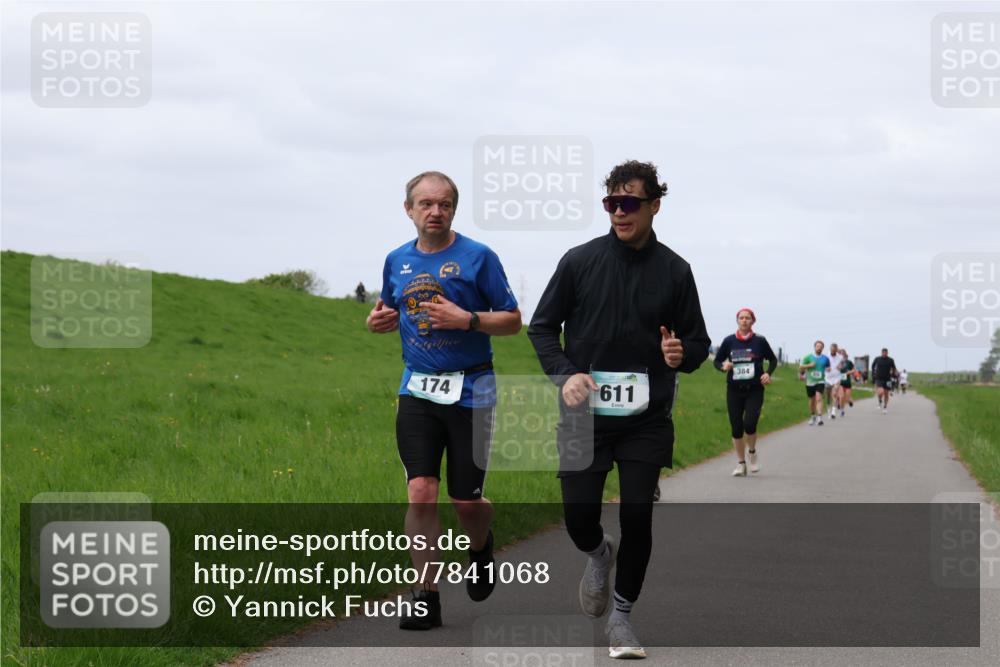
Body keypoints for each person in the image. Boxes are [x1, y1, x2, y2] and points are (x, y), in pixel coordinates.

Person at [528, 160, 710, 660]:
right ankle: (598, 554)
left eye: (630, 202)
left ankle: (622, 619)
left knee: (638, 515)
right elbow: (541, 328)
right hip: (583, 415)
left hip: (646, 419)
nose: (619, 212)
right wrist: (566, 376)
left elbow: (698, 343)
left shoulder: (676, 271)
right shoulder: (578, 261)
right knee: (578, 516)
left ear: (655, 205)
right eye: (611, 202)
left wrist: (682, 355)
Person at [367, 171, 522, 630]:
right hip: (417, 388)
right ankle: (425, 596)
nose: (436, 212)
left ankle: (480, 546)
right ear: (409, 209)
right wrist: (377, 321)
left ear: (454, 209)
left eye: (445, 204)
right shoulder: (397, 260)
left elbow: (513, 321)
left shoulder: (479, 257)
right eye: (427, 204)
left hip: (473, 390)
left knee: (465, 501)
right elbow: (388, 308)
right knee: (420, 489)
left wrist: (467, 319)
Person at [714, 308, 777, 476]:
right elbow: (717, 360)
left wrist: (767, 373)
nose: (744, 320)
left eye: (747, 318)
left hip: (754, 389)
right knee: (736, 428)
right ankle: (741, 464)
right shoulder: (729, 341)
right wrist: (723, 366)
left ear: (752, 321)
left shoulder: (760, 341)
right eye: (741, 318)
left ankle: (752, 453)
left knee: (749, 424)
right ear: (737, 321)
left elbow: (773, 359)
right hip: (734, 390)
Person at [799, 341, 829, 426]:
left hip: (820, 381)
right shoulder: (808, 357)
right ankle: (812, 416)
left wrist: (828, 370)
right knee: (812, 400)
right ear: (814, 347)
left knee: (819, 398)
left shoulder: (826, 359)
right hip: (810, 382)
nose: (819, 348)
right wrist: (809, 365)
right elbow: (801, 367)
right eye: (817, 346)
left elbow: (828, 367)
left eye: (820, 346)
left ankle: (819, 417)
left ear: (822, 348)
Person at [871, 348, 898, 414]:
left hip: (888, 379)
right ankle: (880, 401)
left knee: (886, 394)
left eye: (885, 353)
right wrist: (873, 374)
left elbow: (894, 368)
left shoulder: (890, 360)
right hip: (879, 378)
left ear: (887, 353)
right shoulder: (877, 359)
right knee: (880, 392)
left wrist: (895, 374)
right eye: (883, 352)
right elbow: (873, 366)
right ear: (881, 353)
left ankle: (885, 407)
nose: (884, 354)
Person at [823, 342, 843, 420]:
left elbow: (843, 364)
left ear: (836, 350)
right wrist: (825, 368)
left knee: (834, 394)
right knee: (828, 395)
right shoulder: (826, 356)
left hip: (837, 377)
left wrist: (841, 366)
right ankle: (828, 409)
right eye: (832, 350)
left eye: (835, 350)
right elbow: (822, 365)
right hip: (827, 378)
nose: (833, 352)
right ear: (830, 349)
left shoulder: (840, 357)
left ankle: (833, 411)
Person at [837, 349, 856, 415]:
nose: (841, 355)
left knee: (847, 398)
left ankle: (849, 401)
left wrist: (849, 372)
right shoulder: (837, 362)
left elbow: (854, 370)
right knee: (841, 396)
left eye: (843, 354)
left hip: (847, 382)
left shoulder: (849, 362)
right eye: (840, 354)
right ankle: (842, 410)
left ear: (845, 354)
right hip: (840, 382)